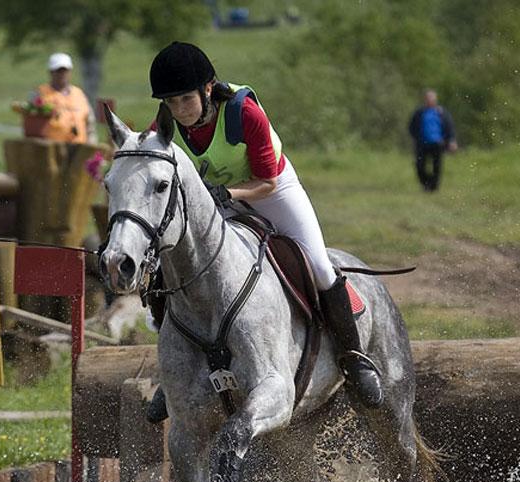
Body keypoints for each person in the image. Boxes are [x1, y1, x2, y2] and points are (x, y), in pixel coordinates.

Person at [145, 41, 384, 422]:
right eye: (171, 103)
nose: (180, 111)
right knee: (170, 267)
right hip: (217, 199)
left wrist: (227, 194)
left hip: (270, 191)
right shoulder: (168, 125)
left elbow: (267, 182)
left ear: (208, 89)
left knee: (319, 266)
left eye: (186, 99)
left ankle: (353, 358)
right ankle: (173, 375)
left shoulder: (244, 114)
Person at [34, 52, 97, 144]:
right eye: (58, 71)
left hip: (79, 147)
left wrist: (92, 144)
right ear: (51, 72)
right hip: (50, 148)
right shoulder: (40, 94)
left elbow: (90, 123)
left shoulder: (79, 94)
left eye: (65, 71)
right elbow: (32, 124)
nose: (62, 74)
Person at [408, 89, 457, 192]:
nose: (430, 100)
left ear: (435, 99)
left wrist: (451, 140)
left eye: (432, 98)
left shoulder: (442, 113)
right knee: (419, 165)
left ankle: (433, 187)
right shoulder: (419, 112)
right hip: (422, 143)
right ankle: (426, 183)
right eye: (428, 98)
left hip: (438, 143)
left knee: (437, 166)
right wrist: (415, 138)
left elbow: (450, 127)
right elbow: (412, 126)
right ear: (425, 99)